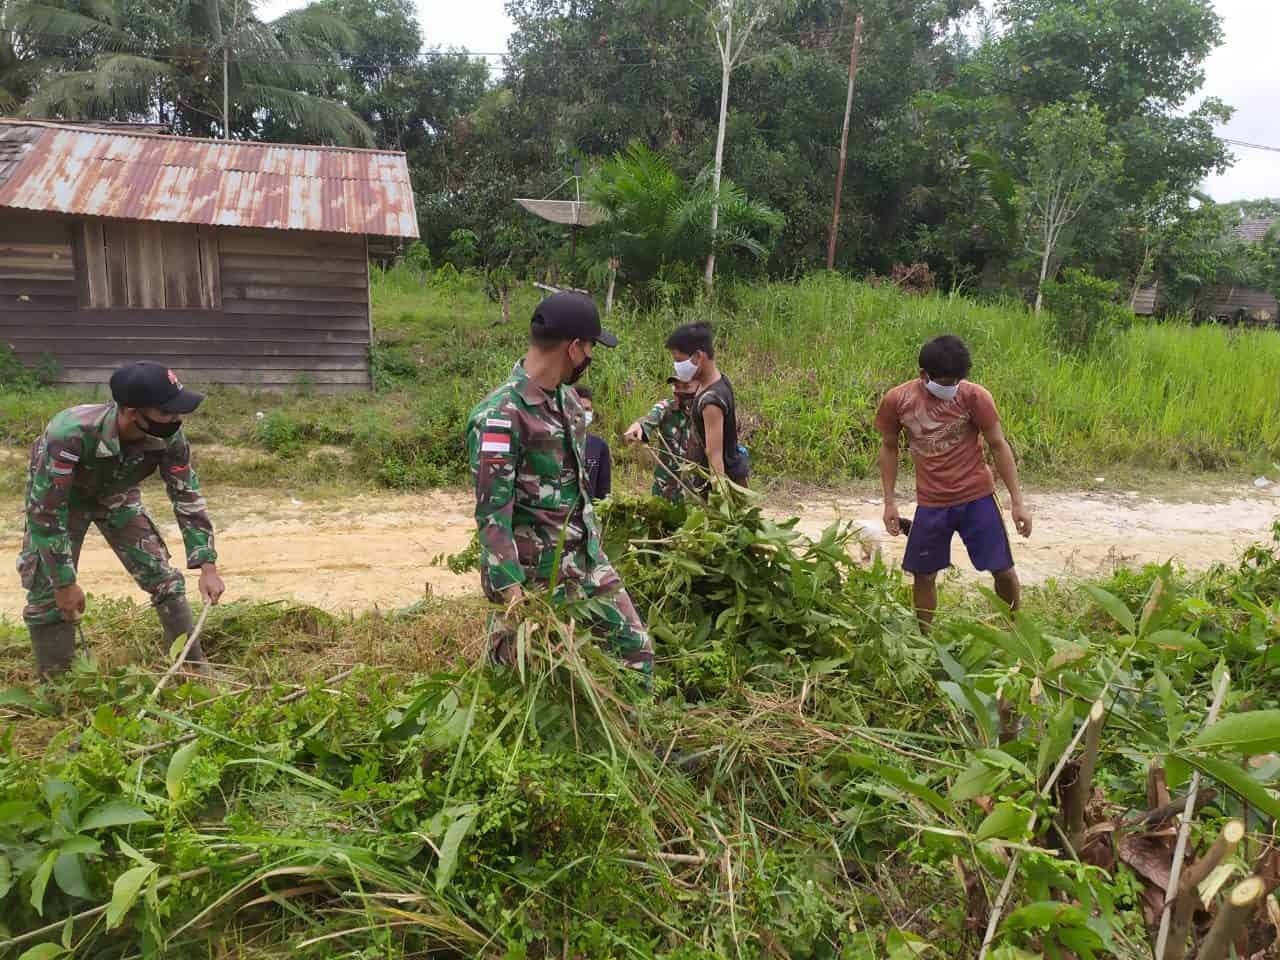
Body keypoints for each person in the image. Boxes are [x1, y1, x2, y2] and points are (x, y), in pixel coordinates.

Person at [465, 291, 653, 676]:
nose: (590, 359)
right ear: (573, 348)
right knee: (524, 680)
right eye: (589, 349)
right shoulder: (501, 416)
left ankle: (630, 731)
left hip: (585, 564)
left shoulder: (568, 404)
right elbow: (493, 515)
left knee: (635, 652)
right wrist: (514, 596)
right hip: (533, 579)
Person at [17, 362, 226, 677]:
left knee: (165, 579)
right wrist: (65, 582)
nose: (176, 420)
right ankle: (57, 686)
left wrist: (207, 566)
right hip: (64, 502)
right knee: (48, 595)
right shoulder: (69, 434)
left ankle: (192, 669)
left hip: (117, 496)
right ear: (131, 412)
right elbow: (46, 512)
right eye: (166, 413)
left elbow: (186, 494)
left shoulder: (169, 437)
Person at [875, 334, 1032, 630]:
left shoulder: (975, 397)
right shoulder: (898, 401)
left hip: (977, 498)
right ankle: (926, 637)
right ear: (924, 375)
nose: (950, 389)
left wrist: (1018, 503)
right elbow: (889, 447)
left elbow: (998, 444)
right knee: (923, 574)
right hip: (931, 504)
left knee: (1002, 569)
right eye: (944, 382)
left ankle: (1014, 630)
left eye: (956, 382)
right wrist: (889, 503)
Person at [665, 322, 750, 487]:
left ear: (698, 356)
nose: (677, 367)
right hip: (722, 475)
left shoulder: (711, 402)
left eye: (678, 360)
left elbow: (714, 454)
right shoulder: (717, 381)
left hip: (719, 481)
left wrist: (720, 498)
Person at [623, 377, 698, 502]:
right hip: (664, 488)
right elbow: (649, 419)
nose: (679, 391)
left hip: (694, 491)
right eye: (676, 386)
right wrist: (638, 425)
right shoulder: (666, 408)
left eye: (685, 387)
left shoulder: (706, 413)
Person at [573, 386, 612, 501]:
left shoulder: (600, 446)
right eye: (579, 408)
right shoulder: (556, 443)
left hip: (588, 515)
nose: (583, 413)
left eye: (587, 409)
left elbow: (603, 492)